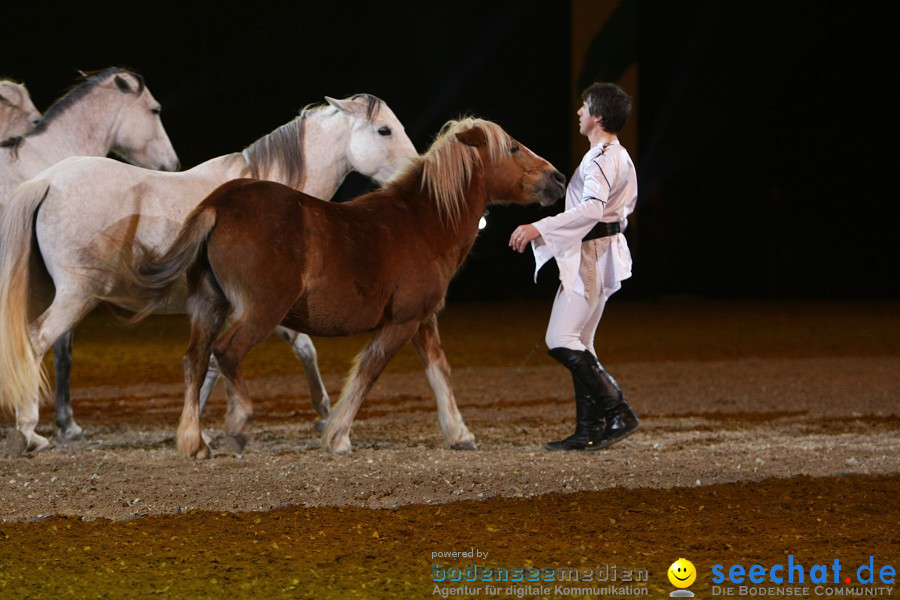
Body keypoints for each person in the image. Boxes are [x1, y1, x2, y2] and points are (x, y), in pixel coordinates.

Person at [509, 82, 638, 451]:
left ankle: (618, 411)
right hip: (604, 250)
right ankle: (590, 428)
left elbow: (594, 209)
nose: (579, 112)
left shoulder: (599, 159)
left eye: (584, 107)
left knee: (560, 339)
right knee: (582, 342)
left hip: (593, 255)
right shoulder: (619, 155)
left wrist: (540, 227)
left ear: (597, 116)